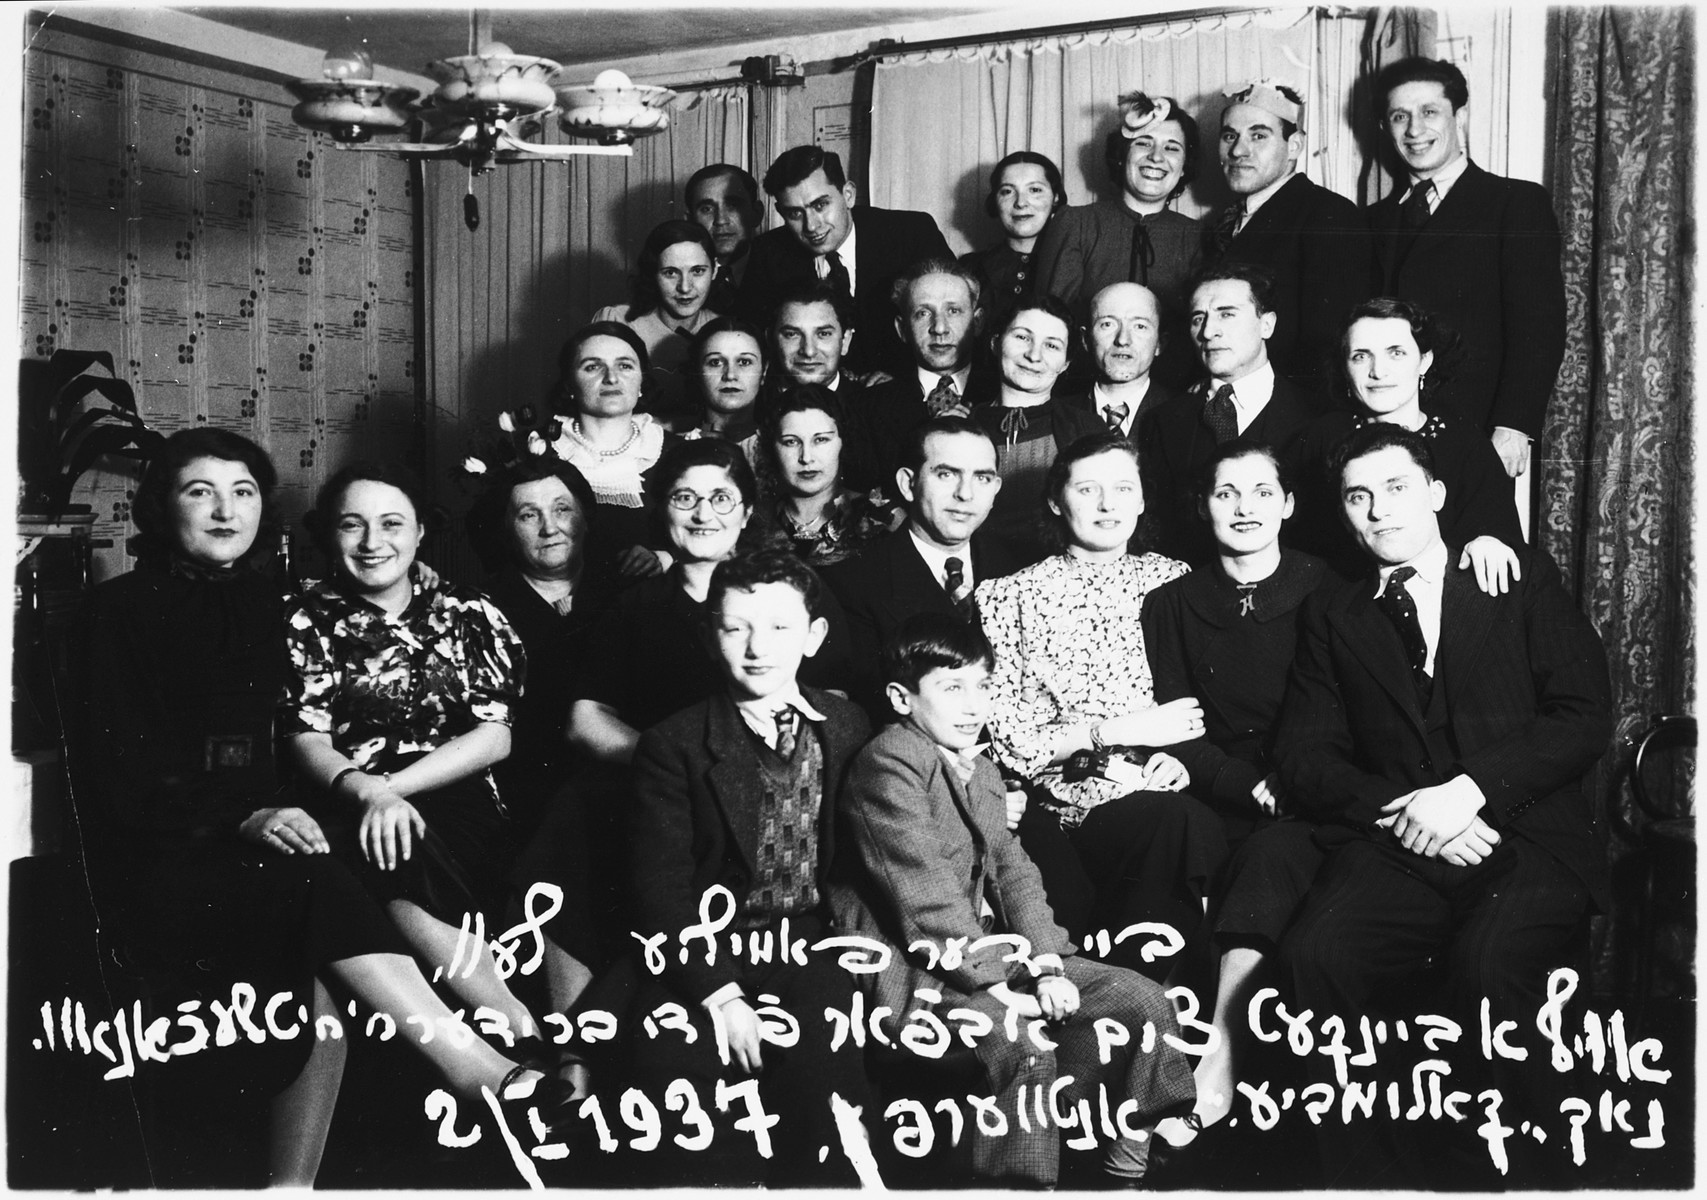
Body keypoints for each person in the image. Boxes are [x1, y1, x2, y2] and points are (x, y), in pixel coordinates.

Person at [73, 430, 567, 1185]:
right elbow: (129, 772)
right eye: (199, 492)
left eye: (241, 492)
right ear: (158, 507)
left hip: (258, 835)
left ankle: (292, 1183)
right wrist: (249, 815)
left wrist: (265, 808)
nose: (223, 510)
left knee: (318, 931)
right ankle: (478, 1066)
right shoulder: (118, 611)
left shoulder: (268, 599)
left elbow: (252, 741)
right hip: (163, 848)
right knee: (322, 882)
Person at [1275, 423, 1613, 1186]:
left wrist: (1467, 794)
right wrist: (1411, 812)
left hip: (1527, 839)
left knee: (1489, 968)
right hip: (1401, 842)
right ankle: (1362, 1179)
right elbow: (1303, 757)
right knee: (1312, 958)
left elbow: (1581, 716)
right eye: (1358, 497)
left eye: (1395, 489)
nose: (1378, 511)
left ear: (1435, 494)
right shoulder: (1333, 610)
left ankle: (1520, 1177)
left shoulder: (1513, 576)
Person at [833, 614, 1198, 1186]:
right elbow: (923, 894)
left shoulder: (981, 770)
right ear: (901, 698)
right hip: (917, 972)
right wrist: (1002, 987)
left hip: (991, 956)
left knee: (1143, 1001)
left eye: (984, 686)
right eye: (952, 687)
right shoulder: (889, 761)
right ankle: (1022, 1187)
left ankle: (1124, 1174)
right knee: (1017, 1036)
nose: (973, 704)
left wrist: (1049, 963)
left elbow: (1015, 873)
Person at [282, 462, 563, 1050]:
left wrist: (392, 790)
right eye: (351, 526)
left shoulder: (469, 612)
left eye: (391, 524)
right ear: (329, 535)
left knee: (396, 841)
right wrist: (365, 790)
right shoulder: (305, 618)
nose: (372, 542)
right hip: (348, 788)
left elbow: (496, 735)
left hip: (455, 789)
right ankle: (517, 1031)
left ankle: (510, 1032)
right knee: (368, 849)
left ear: (419, 533)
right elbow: (305, 734)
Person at [625, 550, 878, 1186]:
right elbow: (658, 884)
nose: (757, 648)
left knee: (828, 1075)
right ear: (712, 635)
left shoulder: (847, 725)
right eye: (736, 627)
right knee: (675, 1066)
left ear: (815, 637)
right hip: (709, 944)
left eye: (779, 629)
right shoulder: (674, 743)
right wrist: (720, 992)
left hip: (813, 939)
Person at [976, 432, 1226, 980]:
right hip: (1053, 798)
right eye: (1088, 489)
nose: (1108, 505)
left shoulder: (1174, 581)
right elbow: (1012, 741)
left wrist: (1184, 756)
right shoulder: (1009, 595)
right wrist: (1118, 729)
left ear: (1142, 499)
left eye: (1122, 489)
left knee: (1184, 826)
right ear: (1055, 501)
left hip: (1159, 788)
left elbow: (1206, 704)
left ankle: (1153, 1009)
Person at [1138, 439, 1329, 1133]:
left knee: (1268, 860)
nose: (1244, 508)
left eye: (1259, 492)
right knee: (1172, 845)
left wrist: (1290, 782)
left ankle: (1218, 1052)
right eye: (1225, 493)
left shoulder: (1326, 587)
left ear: (1287, 504)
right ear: (1202, 507)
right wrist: (1241, 783)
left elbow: (1344, 712)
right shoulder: (1171, 604)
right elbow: (1177, 721)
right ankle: (1150, 1063)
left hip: (1306, 789)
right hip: (1214, 785)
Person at [1367, 56, 1566, 477]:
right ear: (1385, 127)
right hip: (1383, 435)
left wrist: (1513, 426)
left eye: (1429, 112)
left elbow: (1539, 327)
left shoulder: (1514, 204)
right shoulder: (1373, 221)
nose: (1415, 130)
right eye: (1400, 116)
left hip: (1475, 432)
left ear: (1460, 116)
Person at [1292, 297, 1524, 585]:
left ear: (1424, 361)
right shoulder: (1319, 439)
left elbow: (1501, 533)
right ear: (1345, 367)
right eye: (1361, 356)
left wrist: (1489, 542)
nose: (1378, 371)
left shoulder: (1463, 440)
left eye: (1396, 353)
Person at [821, 416, 1020, 722]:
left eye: (981, 478)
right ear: (908, 483)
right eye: (946, 474)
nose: (965, 494)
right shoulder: (851, 584)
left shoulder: (1021, 567)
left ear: (995, 488)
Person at [1202, 79, 1368, 400]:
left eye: (1259, 135)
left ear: (1295, 146)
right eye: (1229, 136)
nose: (1238, 150)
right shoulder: (1222, 224)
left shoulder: (1328, 215)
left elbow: (1328, 347)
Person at [1139, 262, 1311, 566]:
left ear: (1267, 325)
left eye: (1227, 314)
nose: (1208, 331)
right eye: (1198, 318)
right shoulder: (1163, 421)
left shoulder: (1315, 416)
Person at [738, 144, 953, 378]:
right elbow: (754, 344)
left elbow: (955, 323)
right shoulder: (767, 253)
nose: (812, 226)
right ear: (781, 212)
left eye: (820, 205)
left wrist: (901, 380)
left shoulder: (911, 234)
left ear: (848, 195)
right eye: (795, 214)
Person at [1034, 92, 1203, 387]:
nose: (1156, 157)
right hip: (1080, 393)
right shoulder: (1076, 223)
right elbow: (1048, 320)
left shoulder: (1198, 236)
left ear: (1185, 164)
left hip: (1171, 394)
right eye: (1143, 143)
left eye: (1172, 148)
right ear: (1122, 154)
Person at [967, 295, 1104, 564]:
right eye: (1022, 337)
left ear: (1066, 363)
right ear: (996, 343)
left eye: (1052, 345)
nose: (1033, 355)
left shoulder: (1086, 429)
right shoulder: (963, 423)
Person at [546, 321, 672, 584]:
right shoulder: (541, 452)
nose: (611, 378)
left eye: (625, 366)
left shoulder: (676, 453)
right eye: (593, 367)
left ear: (641, 381)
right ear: (569, 384)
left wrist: (665, 557)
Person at [860, 258, 994, 495]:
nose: (939, 328)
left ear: (977, 322)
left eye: (953, 311)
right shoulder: (871, 407)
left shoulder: (1000, 392)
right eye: (923, 313)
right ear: (902, 330)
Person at [593, 219, 723, 431]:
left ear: (715, 270)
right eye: (671, 273)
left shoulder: (723, 331)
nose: (685, 287)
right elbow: (596, 409)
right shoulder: (617, 321)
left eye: (698, 271)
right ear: (652, 274)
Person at [756, 382, 901, 568]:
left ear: (843, 442)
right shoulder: (754, 521)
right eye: (791, 442)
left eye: (821, 440)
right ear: (773, 448)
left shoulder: (882, 517)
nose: (806, 457)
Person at [958, 150, 1067, 336]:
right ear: (995, 200)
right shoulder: (968, 269)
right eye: (1007, 191)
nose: (1020, 203)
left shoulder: (1072, 266)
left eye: (1034, 190)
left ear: (1055, 198)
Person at [1059, 281, 1180, 439]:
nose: (1123, 340)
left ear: (1160, 343)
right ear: (1086, 340)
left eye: (1140, 326)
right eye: (1107, 324)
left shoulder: (1182, 414)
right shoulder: (1059, 414)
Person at [681, 314, 766, 459]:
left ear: (764, 372)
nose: (730, 375)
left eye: (744, 362)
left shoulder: (780, 446)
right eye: (715, 363)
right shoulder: (671, 446)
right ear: (697, 373)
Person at [686, 163, 763, 315]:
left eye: (733, 205)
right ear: (690, 221)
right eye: (707, 209)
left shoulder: (783, 273)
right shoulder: (679, 279)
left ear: (756, 213)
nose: (721, 220)